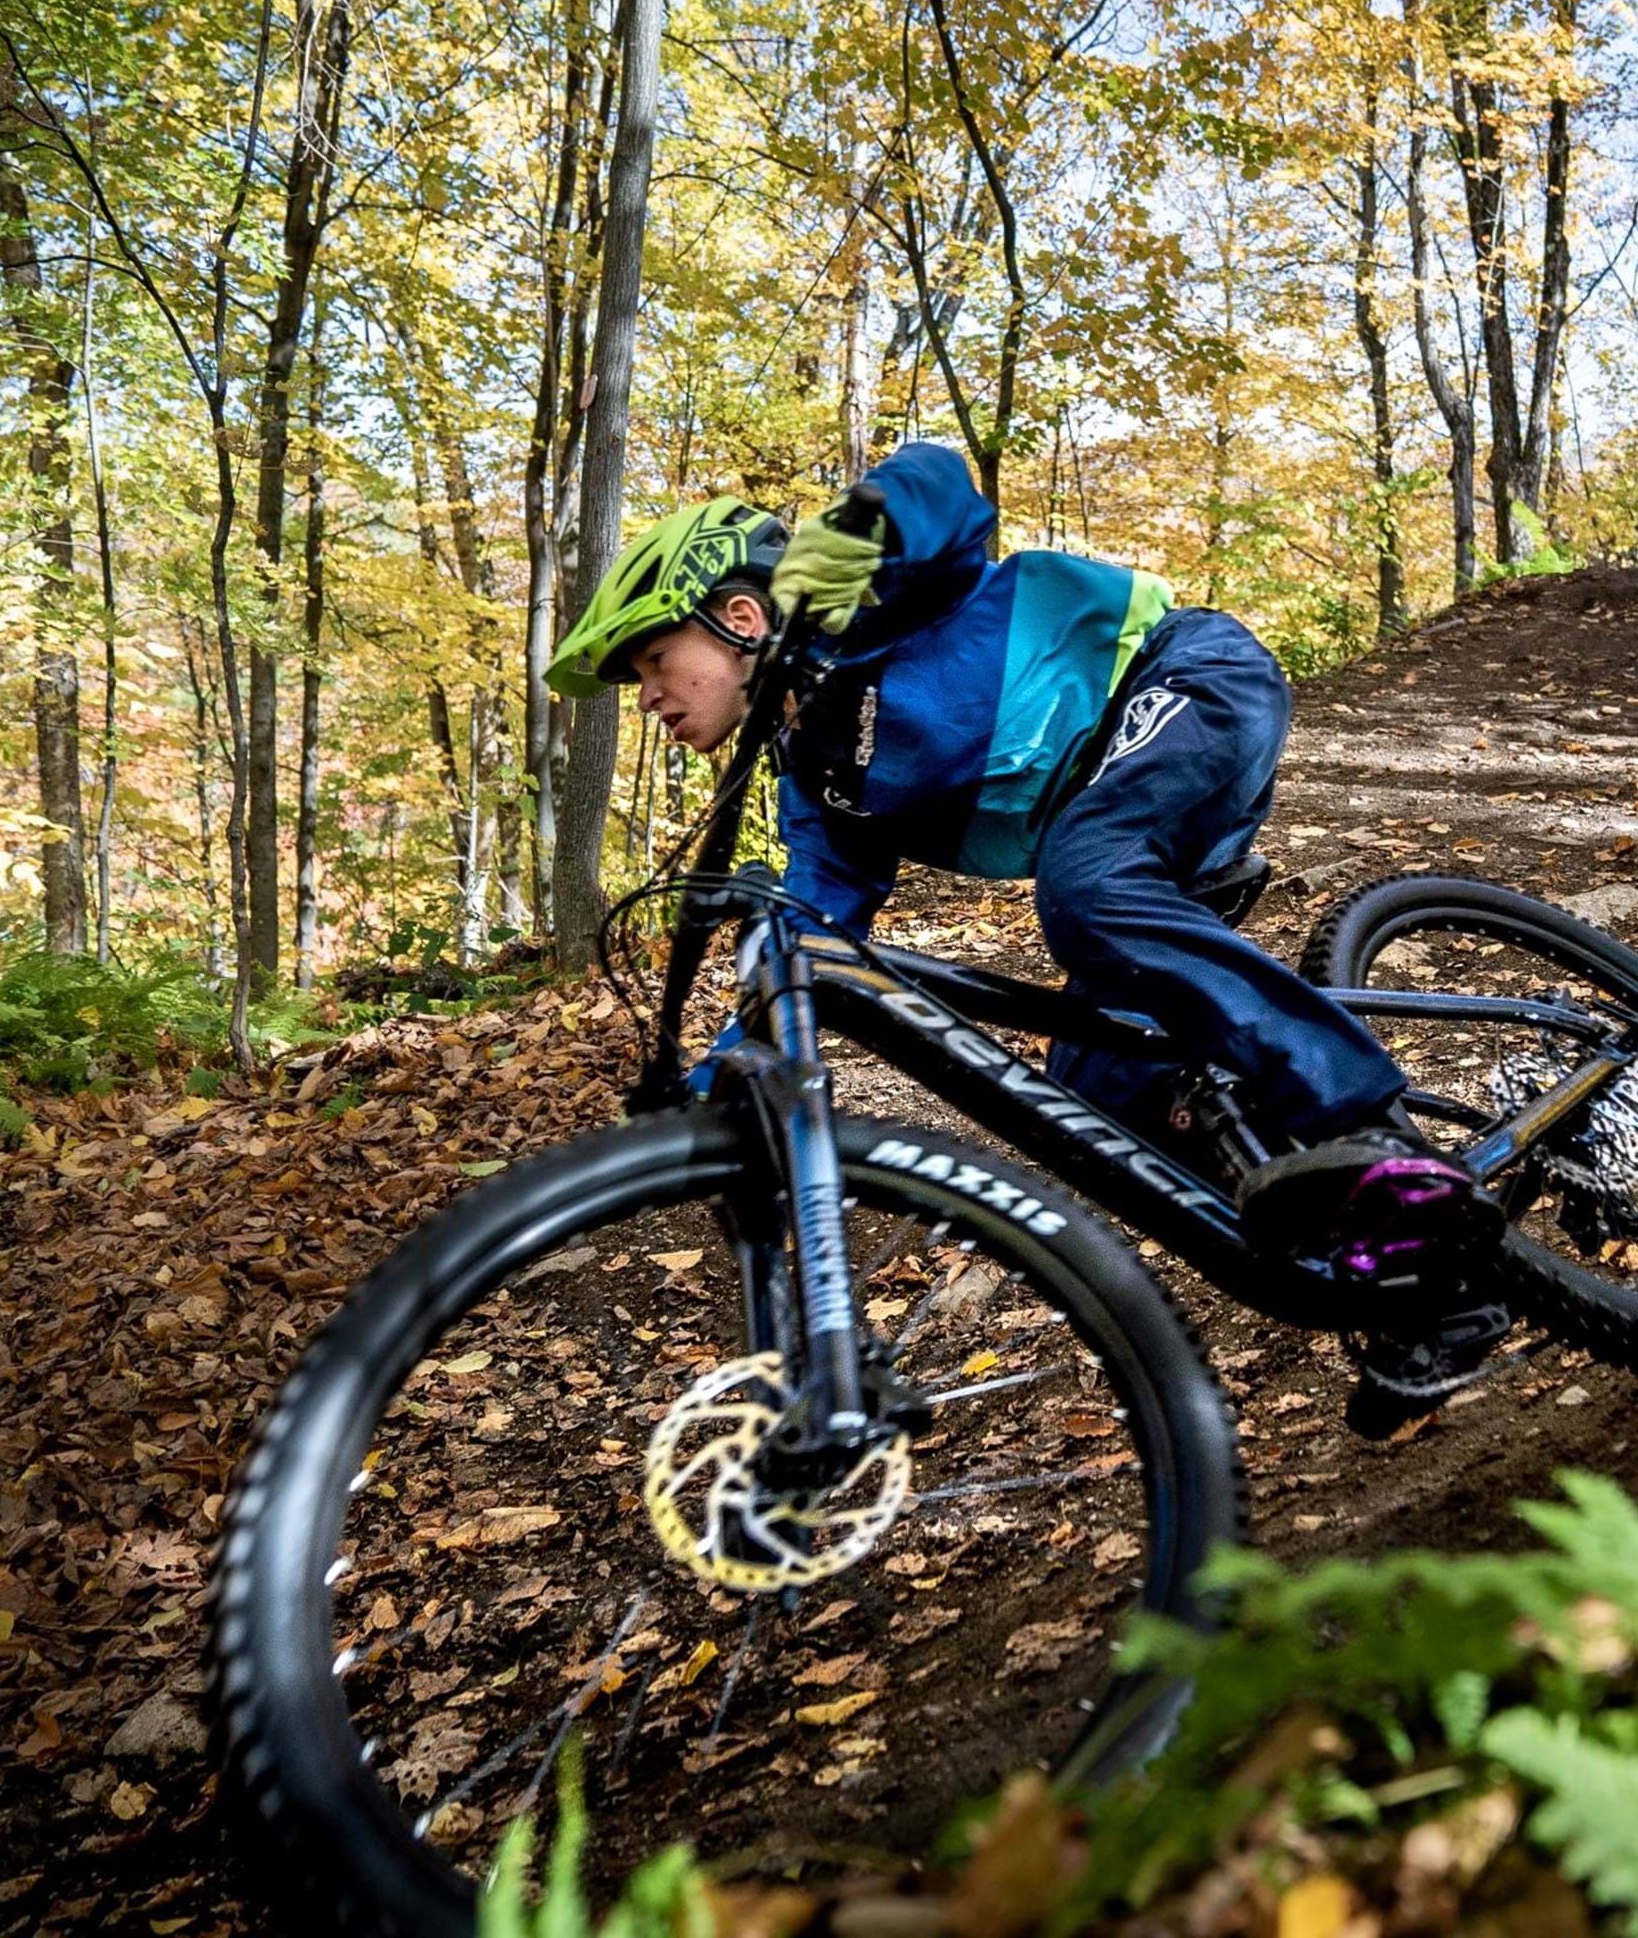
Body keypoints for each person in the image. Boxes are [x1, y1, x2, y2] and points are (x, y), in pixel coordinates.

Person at [547, 443, 1509, 1413]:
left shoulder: (863, 602)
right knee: (1098, 1082)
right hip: (1121, 830)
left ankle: (1379, 1137)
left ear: (740, 617)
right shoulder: (819, 782)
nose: (652, 699)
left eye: (658, 664)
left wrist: (868, 518)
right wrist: (709, 1091)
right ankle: (1416, 1289)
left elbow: (944, 494)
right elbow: (814, 928)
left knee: (1081, 886)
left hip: (1182, 681)